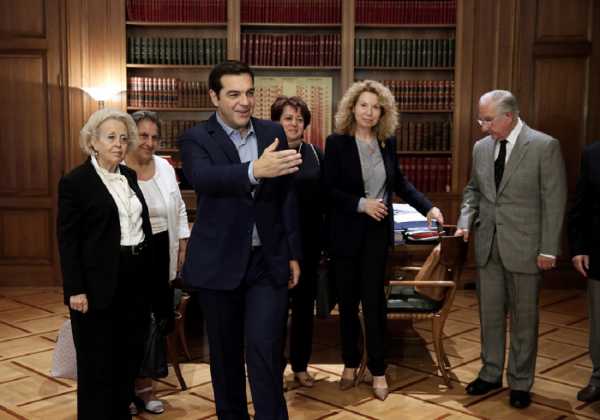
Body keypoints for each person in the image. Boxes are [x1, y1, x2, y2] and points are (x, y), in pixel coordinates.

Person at [179, 60, 302, 420]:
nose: (244, 102)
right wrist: (253, 170)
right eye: (233, 94)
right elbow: (203, 178)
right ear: (214, 97)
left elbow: (286, 197)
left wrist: (293, 252)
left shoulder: (271, 132)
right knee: (226, 357)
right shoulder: (196, 138)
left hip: (267, 262)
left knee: (266, 351)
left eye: (249, 93)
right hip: (219, 264)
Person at [324, 80, 444, 401]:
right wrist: (360, 204)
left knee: (374, 304)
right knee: (347, 304)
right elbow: (328, 191)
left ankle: (378, 369)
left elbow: (400, 182)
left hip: (377, 237)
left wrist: (428, 207)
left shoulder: (386, 142)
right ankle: (350, 363)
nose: (369, 112)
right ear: (352, 108)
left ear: (383, 113)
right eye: (364, 105)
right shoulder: (336, 143)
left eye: (376, 107)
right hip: (345, 236)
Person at [57, 109, 173, 419]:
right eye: (110, 137)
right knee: (97, 364)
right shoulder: (75, 182)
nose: (119, 144)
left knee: (128, 356)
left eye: (123, 138)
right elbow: (68, 241)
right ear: (92, 142)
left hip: (135, 279)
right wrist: (75, 288)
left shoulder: (129, 176)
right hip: (97, 285)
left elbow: (141, 228)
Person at [455, 90, 567, 409]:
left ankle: (520, 381)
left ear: (510, 116)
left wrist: (549, 249)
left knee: (524, 320)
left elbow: (554, 200)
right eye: (480, 120)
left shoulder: (544, 146)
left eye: (488, 120)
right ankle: (490, 373)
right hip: (488, 246)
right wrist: (465, 220)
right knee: (489, 316)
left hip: (527, 248)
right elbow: (473, 190)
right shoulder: (481, 148)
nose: (483, 127)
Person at [125, 110, 191, 414]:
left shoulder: (164, 167)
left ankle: (146, 388)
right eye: (143, 135)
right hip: (130, 255)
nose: (149, 142)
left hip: (163, 251)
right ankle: (125, 391)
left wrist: (183, 243)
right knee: (130, 324)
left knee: (154, 323)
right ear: (130, 136)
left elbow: (179, 208)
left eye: (154, 137)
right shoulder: (117, 168)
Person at [271, 96, 325, 387]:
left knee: (305, 309)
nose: (294, 124)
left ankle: (301, 366)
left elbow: (328, 198)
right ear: (276, 121)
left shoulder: (315, 154)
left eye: (299, 119)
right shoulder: (268, 154)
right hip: (276, 245)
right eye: (288, 118)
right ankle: (274, 369)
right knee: (276, 311)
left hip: (309, 243)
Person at [568, 141, 600, 403]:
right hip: (599, 253)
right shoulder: (592, 153)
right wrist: (579, 247)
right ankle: (599, 377)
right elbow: (581, 206)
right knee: (599, 323)